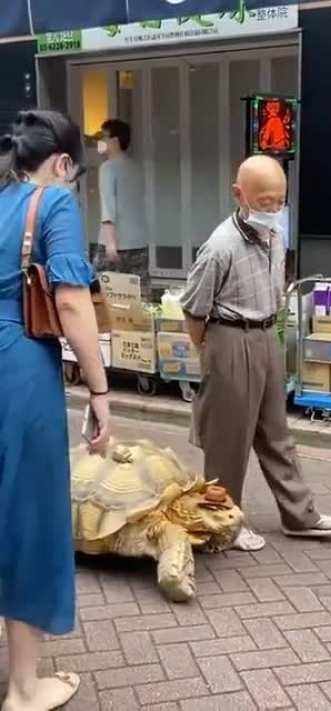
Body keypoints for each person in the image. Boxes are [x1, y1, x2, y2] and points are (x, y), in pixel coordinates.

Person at [0, 110, 110, 710]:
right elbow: (70, 303)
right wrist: (99, 389)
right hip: (18, 371)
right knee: (27, 519)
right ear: (63, 163)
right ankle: (22, 688)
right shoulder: (55, 203)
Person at [181, 155, 331, 552]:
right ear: (239, 195)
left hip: (265, 333)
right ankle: (223, 524)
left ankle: (299, 515)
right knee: (228, 440)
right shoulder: (221, 245)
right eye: (264, 201)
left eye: (279, 201)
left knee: (277, 433)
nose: (272, 209)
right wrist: (210, 352)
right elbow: (193, 309)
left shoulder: (275, 235)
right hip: (229, 336)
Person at [95, 118, 149, 296]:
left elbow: (108, 207)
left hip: (115, 243)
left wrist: (111, 244)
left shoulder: (107, 168)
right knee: (137, 295)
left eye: (103, 137)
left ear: (115, 141)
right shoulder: (136, 167)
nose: (100, 142)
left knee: (108, 297)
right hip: (139, 242)